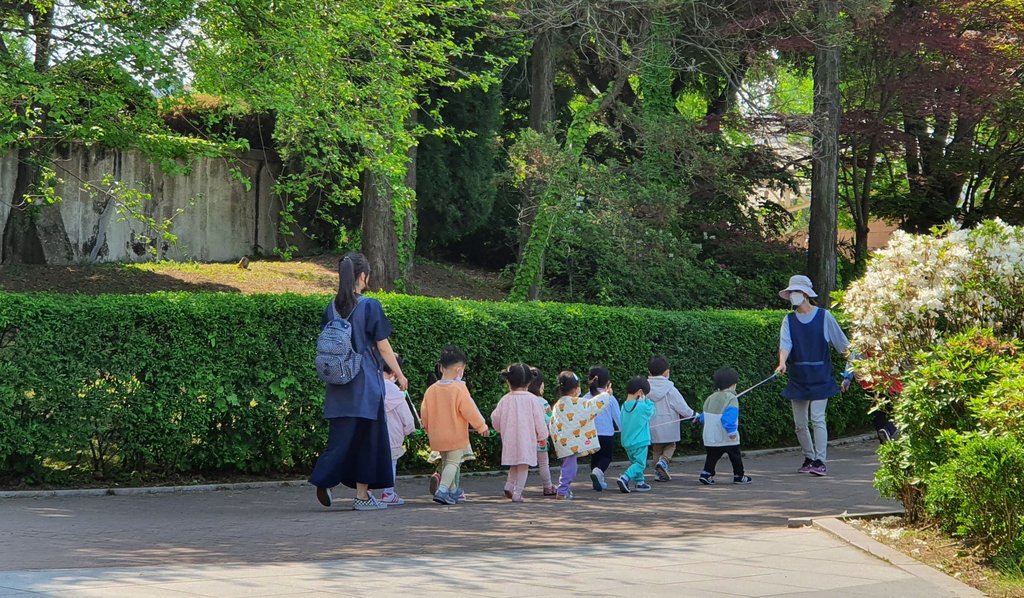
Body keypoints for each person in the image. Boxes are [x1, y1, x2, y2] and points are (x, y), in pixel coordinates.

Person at [309, 252, 409, 511]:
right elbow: (383, 346)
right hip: (365, 383)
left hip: (337, 382)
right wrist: (399, 373)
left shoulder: (331, 307)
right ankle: (362, 497)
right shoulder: (369, 305)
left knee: (340, 439)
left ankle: (325, 479)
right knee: (369, 441)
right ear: (363, 276)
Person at [775, 274, 854, 477]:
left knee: (817, 418)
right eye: (791, 292)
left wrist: (851, 370)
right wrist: (782, 363)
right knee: (799, 424)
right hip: (798, 377)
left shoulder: (824, 316)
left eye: (796, 292)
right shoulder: (789, 320)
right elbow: (785, 344)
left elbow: (843, 345)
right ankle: (809, 457)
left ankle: (820, 460)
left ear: (805, 294)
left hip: (820, 376)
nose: (793, 295)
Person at [420, 346, 490, 505]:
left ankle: (452, 490)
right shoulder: (459, 388)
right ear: (459, 369)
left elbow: (424, 412)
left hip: (437, 434)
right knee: (453, 463)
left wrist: (427, 428)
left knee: (446, 462)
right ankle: (443, 490)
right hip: (455, 434)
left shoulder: (431, 390)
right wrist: (481, 426)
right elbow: (469, 409)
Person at [491, 363, 549, 503]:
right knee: (523, 466)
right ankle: (517, 493)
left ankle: (509, 486)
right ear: (529, 382)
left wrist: (499, 428)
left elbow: (495, 417)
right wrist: (542, 435)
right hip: (527, 439)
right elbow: (539, 420)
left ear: (508, 381)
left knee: (515, 464)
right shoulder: (533, 400)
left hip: (509, 438)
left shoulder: (505, 400)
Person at [549, 371, 606, 500]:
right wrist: (606, 395)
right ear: (576, 389)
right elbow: (592, 406)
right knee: (570, 468)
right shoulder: (576, 403)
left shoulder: (558, 404)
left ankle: (564, 489)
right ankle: (563, 490)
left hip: (563, 442)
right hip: (570, 443)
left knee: (567, 466)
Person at [697, 368, 752, 485]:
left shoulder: (710, 397)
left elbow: (704, 416)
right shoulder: (732, 398)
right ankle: (739, 476)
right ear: (733, 385)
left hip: (711, 436)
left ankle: (706, 473)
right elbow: (729, 418)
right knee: (735, 456)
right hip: (727, 437)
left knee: (712, 456)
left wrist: (697, 418)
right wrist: (732, 432)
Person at [646, 355, 695, 482]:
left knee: (656, 448)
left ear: (649, 372)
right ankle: (663, 462)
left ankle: (658, 473)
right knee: (670, 445)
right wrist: (693, 415)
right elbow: (681, 407)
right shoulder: (670, 389)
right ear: (667, 371)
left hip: (652, 425)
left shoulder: (645, 388)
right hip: (669, 424)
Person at [380, 355, 415, 506]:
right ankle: (388, 492)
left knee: (370, 463)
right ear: (395, 373)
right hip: (392, 436)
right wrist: (410, 430)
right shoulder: (395, 392)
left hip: (372, 435)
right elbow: (406, 416)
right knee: (391, 464)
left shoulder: (371, 386)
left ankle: (365, 492)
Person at [616, 377, 655, 494]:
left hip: (627, 442)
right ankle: (625, 477)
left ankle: (640, 482)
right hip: (641, 441)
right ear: (640, 392)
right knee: (640, 464)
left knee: (635, 463)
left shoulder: (624, 406)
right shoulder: (642, 406)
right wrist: (647, 400)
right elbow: (652, 410)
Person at [585, 366, 620, 491]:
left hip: (591, 435)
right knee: (606, 457)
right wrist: (623, 429)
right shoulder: (609, 398)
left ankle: (598, 478)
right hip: (606, 434)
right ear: (608, 383)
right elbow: (618, 417)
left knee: (595, 457)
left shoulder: (585, 398)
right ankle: (598, 472)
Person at [527, 367, 557, 496]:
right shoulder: (543, 402)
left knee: (519, 465)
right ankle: (548, 486)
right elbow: (550, 419)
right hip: (541, 439)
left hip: (525, 438)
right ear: (540, 385)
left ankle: (513, 487)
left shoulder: (523, 400)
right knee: (544, 463)